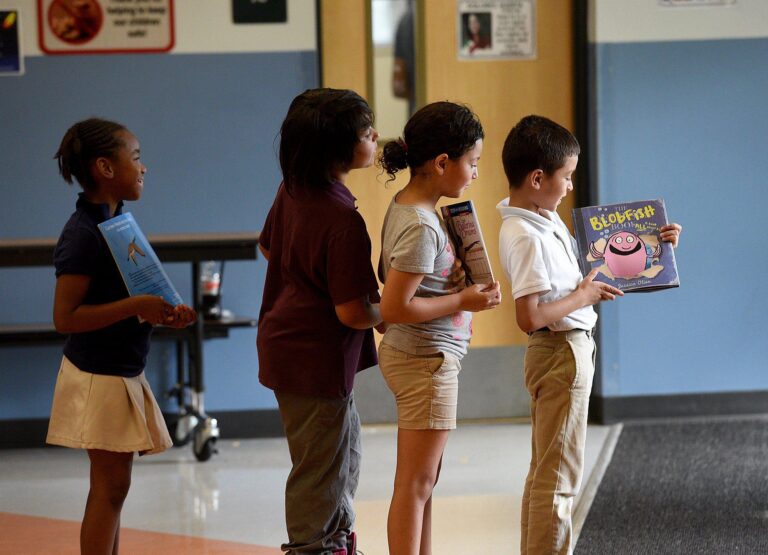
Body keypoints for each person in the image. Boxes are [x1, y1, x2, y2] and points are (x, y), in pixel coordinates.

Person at [496, 115, 682, 555]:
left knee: (547, 472)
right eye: (567, 177)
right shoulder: (525, 234)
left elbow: (600, 262)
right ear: (538, 178)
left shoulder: (545, 218)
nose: (570, 187)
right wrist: (582, 298)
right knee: (558, 480)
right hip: (560, 352)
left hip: (567, 351)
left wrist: (658, 243)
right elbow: (529, 316)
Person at [46, 117, 197, 555]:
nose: (144, 167)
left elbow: (133, 292)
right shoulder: (83, 235)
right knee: (109, 490)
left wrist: (161, 312)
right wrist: (135, 308)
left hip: (122, 368)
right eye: (135, 158)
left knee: (114, 489)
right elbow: (66, 317)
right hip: (98, 374)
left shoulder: (118, 222)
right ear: (105, 169)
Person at [257, 88, 384, 555]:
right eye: (366, 132)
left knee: (339, 454)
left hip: (290, 346)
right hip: (313, 358)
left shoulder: (294, 188)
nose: (375, 137)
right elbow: (352, 311)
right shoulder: (342, 218)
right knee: (318, 468)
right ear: (337, 148)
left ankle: (336, 539)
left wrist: (304, 282)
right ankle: (313, 547)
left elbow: (269, 246)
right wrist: (390, 314)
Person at [377, 101, 502, 555]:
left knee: (424, 482)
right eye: (472, 163)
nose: (474, 174)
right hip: (424, 359)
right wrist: (462, 300)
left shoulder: (409, 207)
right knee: (415, 484)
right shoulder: (421, 226)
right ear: (442, 162)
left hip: (424, 356)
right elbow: (394, 306)